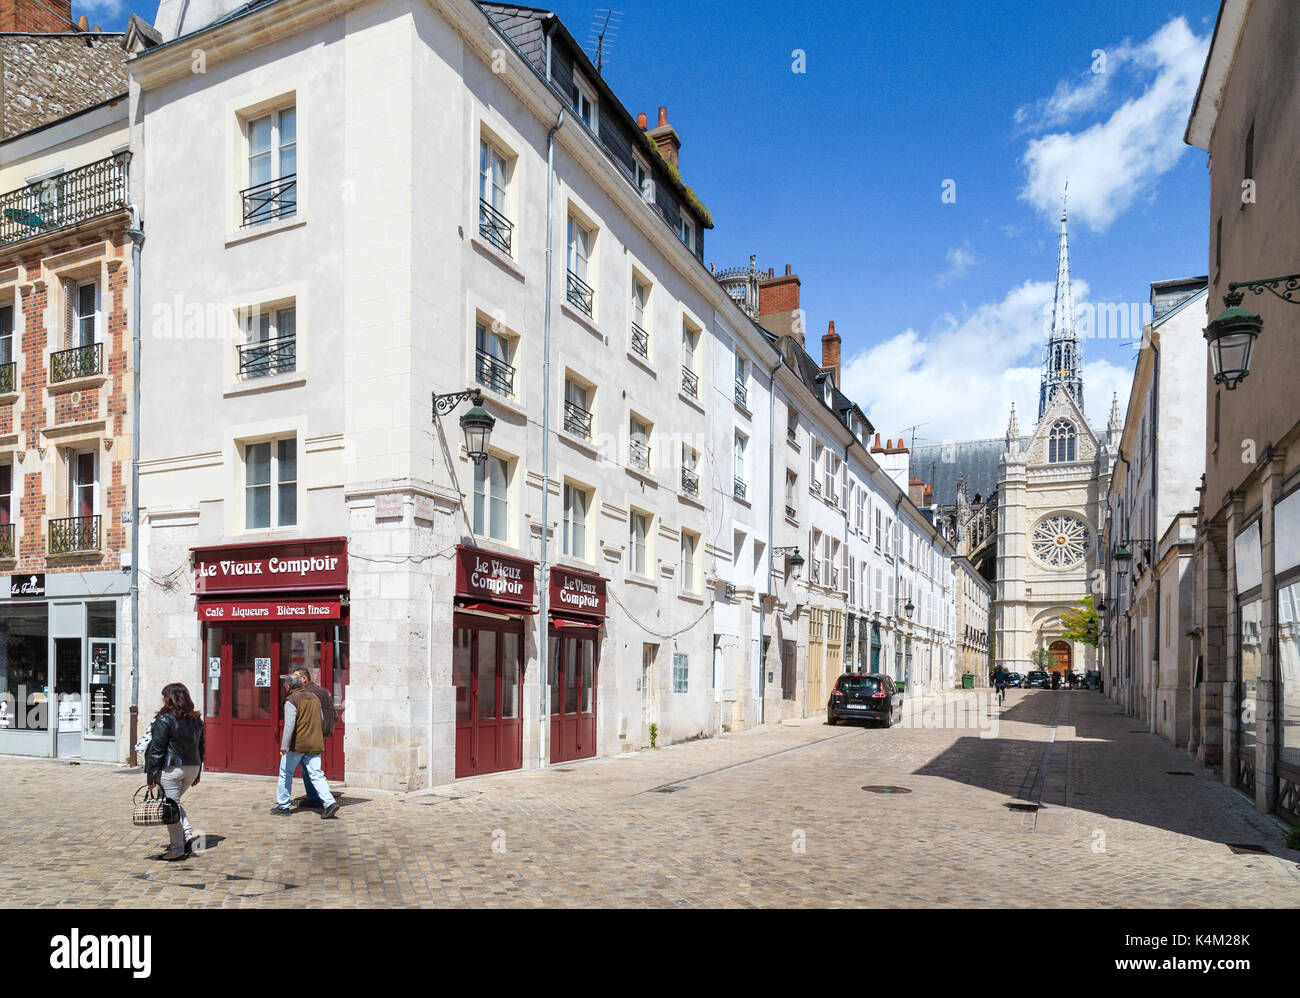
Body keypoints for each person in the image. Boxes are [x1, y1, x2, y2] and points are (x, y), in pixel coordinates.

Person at [144, 682, 205, 861]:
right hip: (192, 767)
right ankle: (186, 836)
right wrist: (198, 772)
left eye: (164, 696)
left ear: (169, 699)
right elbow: (201, 748)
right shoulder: (196, 720)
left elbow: (157, 749)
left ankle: (177, 849)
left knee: (171, 810)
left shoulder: (164, 719)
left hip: (171, 769)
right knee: (174, 804)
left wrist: (151, 776)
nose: (162, 699)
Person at [273, 673, 338, 820]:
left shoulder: (291, 700)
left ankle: (283, 805)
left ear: (288, 686)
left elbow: (289, 726)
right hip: (314, 743)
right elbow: (321, 719)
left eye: (285, 685)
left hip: (298, 744)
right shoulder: (314, 697)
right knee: (317, 774)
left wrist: (284, 746)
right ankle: (330, 802)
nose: (284, 687)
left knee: (285, 773)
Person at [292, 666, 335, 809]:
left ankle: (314, 797)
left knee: (308, 767)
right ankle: (317, 796)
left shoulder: (308, 693)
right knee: (311, 766)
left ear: (304, 679)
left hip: (313, 733)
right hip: (322, 732)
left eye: (295, 678)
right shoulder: (323, 690)